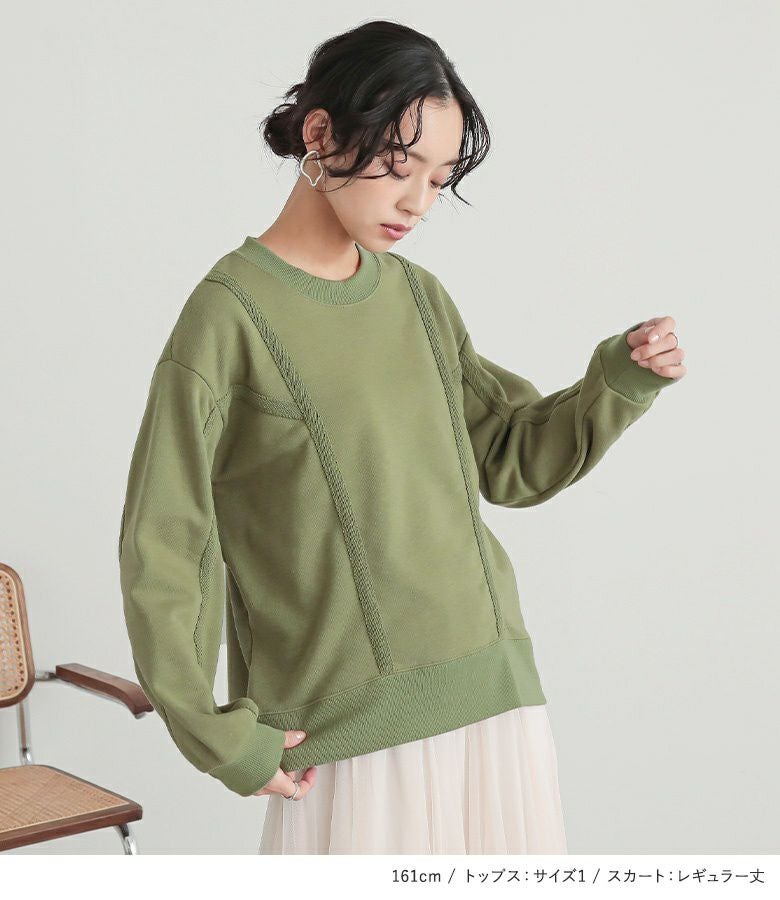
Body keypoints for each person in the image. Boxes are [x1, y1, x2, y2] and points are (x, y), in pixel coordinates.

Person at [118, 20, 686, 855]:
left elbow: (509, 458)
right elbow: (168, 537)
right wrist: (213, 731)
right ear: (321, 133)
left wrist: (618, 380)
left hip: (492, 696)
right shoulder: (229, 316)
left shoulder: (418, 297)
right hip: (350, 730)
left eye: (439, 179)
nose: (418, 201)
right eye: (398, 164)